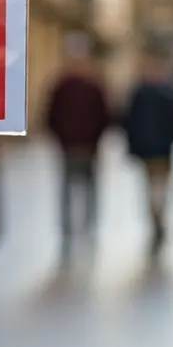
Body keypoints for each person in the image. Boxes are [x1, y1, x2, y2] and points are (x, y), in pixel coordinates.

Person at [45, 33, 112, 258]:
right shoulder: (64, 87)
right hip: (71, 147)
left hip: (85, 147)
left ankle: (87, 229)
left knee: (85, 190)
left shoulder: (89, 87)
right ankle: (71, 232)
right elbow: (50, 117)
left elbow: (104, 116)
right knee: (71, 190)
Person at [123, 49, 173, 257]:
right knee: (159, 186)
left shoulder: (141, 93)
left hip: (150, 149)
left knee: (153, 186)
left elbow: (128, 122)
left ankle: (156, 218)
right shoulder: (167, 93)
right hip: (160, 149)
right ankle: (158, 217)